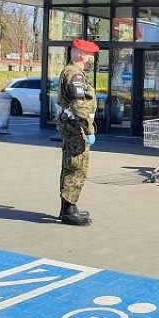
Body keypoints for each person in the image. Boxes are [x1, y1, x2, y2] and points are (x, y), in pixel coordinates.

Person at [55, 39, 99, 226]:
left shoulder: (74, 72)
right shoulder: (75, 75)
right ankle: (69, 210)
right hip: (76, 127)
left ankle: (69, 206)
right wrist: (88, 129)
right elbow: (79, 105)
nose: (92, 59)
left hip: (73, 126)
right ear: (81, 54)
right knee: (76, 167)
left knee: (71, 165)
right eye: (91, 56)